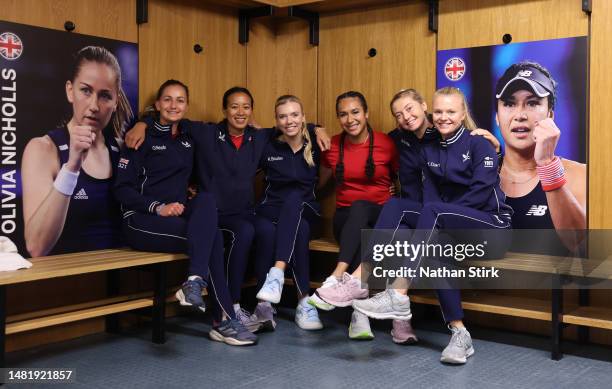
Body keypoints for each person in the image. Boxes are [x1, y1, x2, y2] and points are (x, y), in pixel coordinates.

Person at [124, 87, 330, 332]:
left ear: (252, 111)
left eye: (245, 107)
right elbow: (172, 118)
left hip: (248, 212)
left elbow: (292, 125)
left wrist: (317, 127)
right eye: (234, 106)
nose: (240, 112)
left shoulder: (259, 136)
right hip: (215, 214)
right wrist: (142, 124)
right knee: (245, 232)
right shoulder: (205, 132)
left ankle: (263, 303)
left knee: (265, 230)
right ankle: (232, 306)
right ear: (225, 110)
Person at [352, 87, 513, 364]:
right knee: (397, 208)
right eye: (438, 112)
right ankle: (460, 334)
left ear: (463, 114)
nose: (443, 117)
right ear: (431, 112)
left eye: (451, 111)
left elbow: (478, 196)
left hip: (492, 229)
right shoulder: (430, 149)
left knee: (435, 215)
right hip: (453, 225)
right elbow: (431, 201)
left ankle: (398, 293)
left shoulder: (480, 143)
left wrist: (437, 217)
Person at [114, 80, 257, 346]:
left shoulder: (190, 136)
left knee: (206, 200)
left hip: (177, 217)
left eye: (180, 100)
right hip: (141, 220)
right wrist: (158, 207)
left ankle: (194, 281)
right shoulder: (139, 137)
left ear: (187, 105)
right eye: (167, 99)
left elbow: (235, 128)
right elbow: (121, 190)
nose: (173, 105)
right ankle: (223, 320)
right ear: (157, 104)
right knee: (211, 239)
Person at [21, 46, 133, 257]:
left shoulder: (122, 149)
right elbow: (36, 247)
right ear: (70, 91)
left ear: (116, 101)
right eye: (86, 90)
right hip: (67, 284)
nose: (94, 106)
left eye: (105, 96)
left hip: (125, 281)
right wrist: (71, 168)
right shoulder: (43, 149)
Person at [306, 91, 399, 340]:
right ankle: (360, 313)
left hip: (381, 216)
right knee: (359, 222)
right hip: (346, 220)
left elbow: (404, 177)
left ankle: (337, 277)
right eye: (343, 114)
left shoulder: (386, 144)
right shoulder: (333, 146)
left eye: (355, 112)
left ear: (366, 113)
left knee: (363, 213)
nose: (350, 119)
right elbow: (320, 183)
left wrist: (396, 191)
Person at [495, 61, 586, 253]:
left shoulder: (580, 175)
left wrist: (546, 164)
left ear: (550, 115)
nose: (520, 115)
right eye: (509, 104)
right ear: (497, 116)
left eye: (533, 103)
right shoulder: (478, 173)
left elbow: (583, 248)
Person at [253, 95, 323, 331]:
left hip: (306, 208)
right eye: (283, 116)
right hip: (271, 208)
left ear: (303, 117)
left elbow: (332, 173)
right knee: (264, 230)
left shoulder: (314, 143)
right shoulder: (269, 146)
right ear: (276, 120)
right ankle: (265, 305)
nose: (289, 120)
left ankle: (292, 291)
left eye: (294, 114)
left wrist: (316, 128)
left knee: (297, 208)